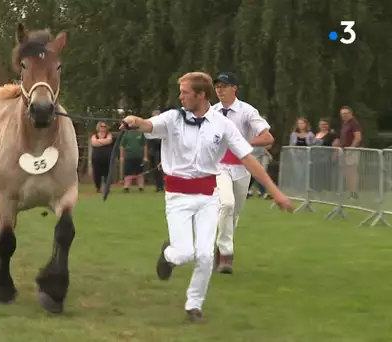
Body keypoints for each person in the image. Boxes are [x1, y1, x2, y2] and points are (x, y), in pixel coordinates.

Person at [119, 71, 293, 323]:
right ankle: (168, 254)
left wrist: (275, 192)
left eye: (185, 92)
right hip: (178, 196)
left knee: (204, 255)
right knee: (184, 253)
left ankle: (194, 305)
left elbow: (248, 158)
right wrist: (135, 120)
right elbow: (147, 124)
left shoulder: (223, 125)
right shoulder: (172, 118)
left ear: (201, 95)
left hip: (208, 196)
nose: (180, 97)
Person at [211, 72, 275, 274]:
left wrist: (245, 142)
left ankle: (220, 249)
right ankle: (226, 253)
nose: (219, 89)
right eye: (217, 86)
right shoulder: (211, 112)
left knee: (234, 213)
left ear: (234, 88)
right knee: (226, 203)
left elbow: (268, 138)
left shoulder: (247, 111)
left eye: (224, 85)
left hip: (242, 168)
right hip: (219, 166)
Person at [337, 106, 362, 200]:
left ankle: (354, 193)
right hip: (344, 150)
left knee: (352, 171)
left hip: (352, 151)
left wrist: (351, 149)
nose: (344, 115)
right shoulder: (345, 123)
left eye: (346, 113)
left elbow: (358, 138)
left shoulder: (354, 123)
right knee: (346, 172)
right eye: (342, 114)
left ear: (351, 113)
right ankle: (350, 192)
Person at [120, 124, 148, 192]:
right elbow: (122, 146)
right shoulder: (126, 134)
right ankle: (126, 187)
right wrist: (121, 156)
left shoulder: (141, 133)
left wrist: (145, 156)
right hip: (128, 156)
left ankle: (141, 187)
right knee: (128, 173)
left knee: (140, 172)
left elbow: (145, 145)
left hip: (139, 156)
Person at [90, 121, 114, 192]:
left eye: (104, 126)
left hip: (107, 158)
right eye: (101, 126)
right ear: (98, 127)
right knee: (97, 173)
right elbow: (94, 143)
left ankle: (107, 187)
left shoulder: (109, 135)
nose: (103, 128)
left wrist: (98, 142)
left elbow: (109, 140)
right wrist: (104, 141)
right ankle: (98, 187)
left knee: (107, 173)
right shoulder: (94, 135)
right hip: (96, 158)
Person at [146, 110, 164, 192]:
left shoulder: (162, 128)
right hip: (152, 151)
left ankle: (161, 186)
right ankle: (158, 186)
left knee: (159, 169)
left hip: (159, 151)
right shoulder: (150, 127)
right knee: (154, 170)